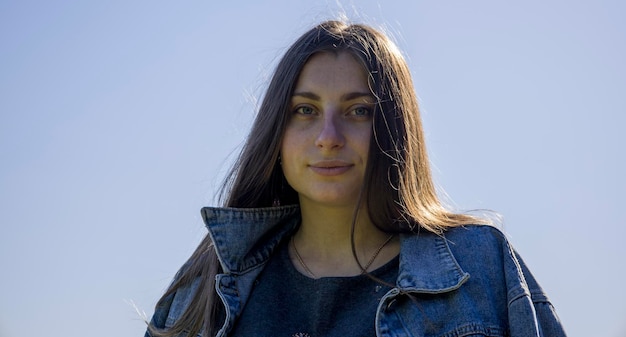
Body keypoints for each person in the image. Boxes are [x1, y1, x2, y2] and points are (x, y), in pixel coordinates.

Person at [144, 20, 567, 337]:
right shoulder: (205, 288)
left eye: (359, 110)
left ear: (395, 127)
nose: (329, 138)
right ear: (276, 129)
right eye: (304, 111)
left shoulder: (480, 265)